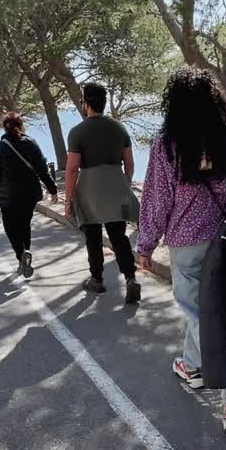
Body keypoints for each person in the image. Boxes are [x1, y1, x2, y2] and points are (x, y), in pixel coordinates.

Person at [136, 67, 226, 432]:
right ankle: (192, 366)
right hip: (225, 239)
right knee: (205, 310)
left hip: (187, 242)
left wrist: (146, 243)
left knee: (204, 315)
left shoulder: (167, 144)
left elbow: (158, 199)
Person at [63, 82, 141, 304]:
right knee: (119, 237)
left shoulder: (77, 132)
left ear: (86, 103)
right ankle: (130, 278)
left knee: (93, 237)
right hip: (116, 187)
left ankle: (97, 279)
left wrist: (68, 200)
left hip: (89, 191)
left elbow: (71, 169)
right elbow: (129, 163)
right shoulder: (119, 128)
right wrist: (122, 184)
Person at [0, 112, 58, 278]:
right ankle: (25, 252)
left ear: (3, 128)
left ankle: (21, 254)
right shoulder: (31, 143)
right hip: (29, 195)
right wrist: (52, 188)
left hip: (7, 197)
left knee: (11, 228)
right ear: (20, 126)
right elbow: (42, 169)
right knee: (24, 225)